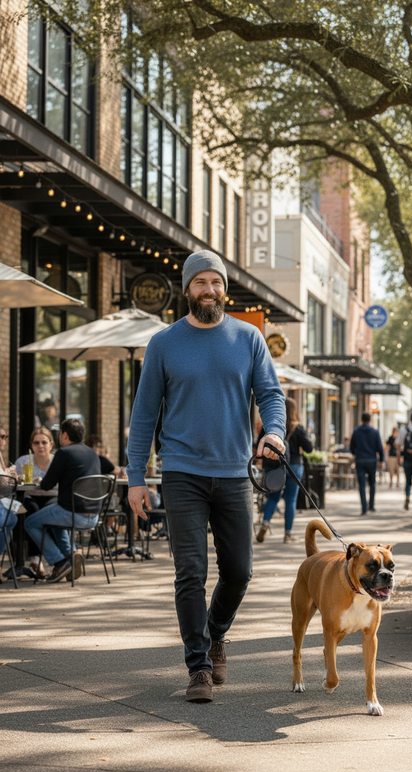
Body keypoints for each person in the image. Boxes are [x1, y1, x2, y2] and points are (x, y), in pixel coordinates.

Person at [126, 250, 286, 704]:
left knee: (239, 571)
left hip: (235, 472)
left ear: (225, 288)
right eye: (201, 283)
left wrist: (273, 432)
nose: (209, 290)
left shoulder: (249, 338)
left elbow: (271, 396)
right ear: (187, 289)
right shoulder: (164, 343)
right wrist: (137, 476)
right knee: (190, 571)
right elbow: (143, 417)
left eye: (216, 282)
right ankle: (197, 666)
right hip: (181, 472)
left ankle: (215, 634)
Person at [25, 418, 101, 583]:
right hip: (94, 516)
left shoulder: (63, 453)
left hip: (72, 513)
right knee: (54, 517)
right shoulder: (92, 453)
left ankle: (59, 562)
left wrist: (38, 480)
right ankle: (70, 556)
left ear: (64, 435)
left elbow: (47, 485)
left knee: (30, 522)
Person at [256, 397, 313, 543]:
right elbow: (309, 448)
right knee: (291, 499)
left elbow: (258, 445)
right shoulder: (298, 428)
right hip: (294, 465)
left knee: (273, 497)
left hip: (274, 466)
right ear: (294, 411)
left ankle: (266, 522)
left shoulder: (269, 427)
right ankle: (287, 534)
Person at [15, 427, 55, 578]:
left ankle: (56, 559)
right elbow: (18, 484)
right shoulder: (23, 461)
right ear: (31, 445)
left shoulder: (57, 461)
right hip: (30, 496)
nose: (40, 446)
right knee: (31, 510)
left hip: (52, 496)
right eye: (36, 442)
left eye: (44, 442)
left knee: (51, 510)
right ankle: (36, 559)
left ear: (51, 445)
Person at [349, 412, 384, 515]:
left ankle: (364, 508)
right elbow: (380, 447)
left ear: (361, 420)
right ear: (370, 420)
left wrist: (357, 454)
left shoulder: (356, 431)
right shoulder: (375, 432)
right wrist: (381, 460)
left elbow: (351, 447)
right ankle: (371, 505)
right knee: (372, 483)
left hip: (360, 460)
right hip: (372, 460)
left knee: (362, 485)